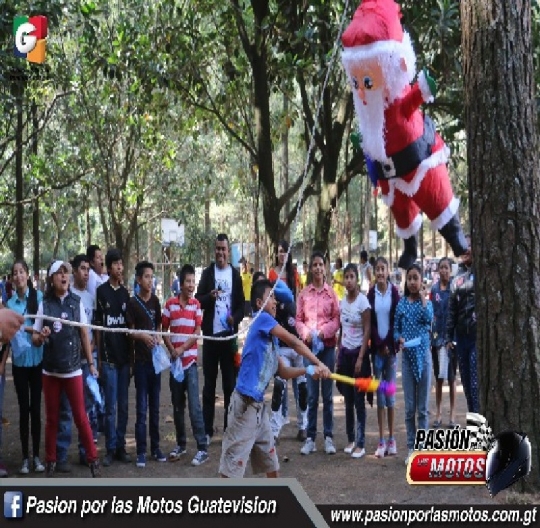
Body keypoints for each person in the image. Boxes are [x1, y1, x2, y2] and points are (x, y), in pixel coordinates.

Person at [341, 0, 468, 269]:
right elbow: (370, 135)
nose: (362, 91)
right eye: (357, 83)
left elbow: (414, 98)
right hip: (392, 175)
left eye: (367, 82)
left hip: (420, 161)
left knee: (438, 201)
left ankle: (458, 241)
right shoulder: (368, 111)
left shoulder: (399, 100)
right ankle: (410, 248)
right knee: (402, 213)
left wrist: (424, 89)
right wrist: (362, 142)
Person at [218, 279, 330, 478]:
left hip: (259, 409)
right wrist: (319, 362)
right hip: (244, 407)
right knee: (231, 471)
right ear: (260, 303)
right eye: (271, 297)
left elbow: (282, 372)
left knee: (272, 465)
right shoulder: (262, 319)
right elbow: (294, 341)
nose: (276, 302)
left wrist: (308, 370)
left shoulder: (271, 339)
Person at [31, 260, 101, 477]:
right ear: (51, 279)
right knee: (52, 418)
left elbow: (83, 334)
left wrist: (90, 364)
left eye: (66, 273)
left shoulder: (75, 303)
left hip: (73, 370)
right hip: (50, 371)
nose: (64, 276)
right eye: (59, 273)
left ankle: (92, 459)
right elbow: (34, 337)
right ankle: (51, 461)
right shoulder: (45, 305)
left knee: (81, 416)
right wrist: (40, 338)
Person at [195, 234, 244, 444]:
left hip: (228, 338)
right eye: (217, 249)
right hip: (210, 337)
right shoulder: (207, 274)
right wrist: (209, 297)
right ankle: (207, 429)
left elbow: (242, 305)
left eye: (223, 249)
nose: (220, 253)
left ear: (228, 252)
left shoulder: (235, 275)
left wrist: (235, 318)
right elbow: (198, 300)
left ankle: (228, 427)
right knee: (209, 385)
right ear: (214, 250)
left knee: (230, 385)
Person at [162, 264, 208, 466]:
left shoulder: (196, 305)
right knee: (178, 405)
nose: (191, 285)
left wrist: (181, 350)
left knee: (194, 407)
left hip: (189, 363)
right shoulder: (170, 304)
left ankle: (202, 447)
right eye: (188, 281)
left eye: (193, 282)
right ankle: (180, 444)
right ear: (180, 284)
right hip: (175, 365)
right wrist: (172, 349)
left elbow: (197, 332)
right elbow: (164, 330)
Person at [296, 251, 340, 456]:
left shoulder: (331, 293)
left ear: (325, 267)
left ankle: (328, 437)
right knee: (312, 395)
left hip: (328, 348)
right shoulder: (303, 294)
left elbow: (336, 319)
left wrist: (322, 333)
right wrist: (307, 334)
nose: (318, 268)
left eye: (321, 264)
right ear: (310, 268)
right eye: (314, 265)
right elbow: (298, 320)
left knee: (328, 396)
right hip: (309, 350)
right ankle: (311, 438)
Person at [6, 260, 45, 475]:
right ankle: (24, 458)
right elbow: (11, 330)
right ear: (12, 279)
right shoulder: (9, 304)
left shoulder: (38, 298)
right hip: (20, 364)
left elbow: (42, 326)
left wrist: (39, 336)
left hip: (37, 362)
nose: (19, 276)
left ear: (28, 275)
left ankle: (37, 456)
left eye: (22, 272)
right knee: (23, 410)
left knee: (36, 409)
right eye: (15, 273)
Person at [95, 249, 132, 467]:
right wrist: (99, 358)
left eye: (121, 264)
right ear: (108, 268)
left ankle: (120, 447)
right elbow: (98, 327)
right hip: (108, 359)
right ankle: (109, 449)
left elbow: (129, 327)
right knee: (110, 407)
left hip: (124, 360)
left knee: (124, 406)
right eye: (116, 264)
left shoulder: (126, 294)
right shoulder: (101, 292)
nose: (119, 267)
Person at [126, 260, 165, 468]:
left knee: (155, 407)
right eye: (147, 277)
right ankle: (140, 451)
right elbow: (130, 331)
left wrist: (157, 336)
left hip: (155, 363)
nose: (150, 280)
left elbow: (159, 322)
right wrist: (142, 336)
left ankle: (156, 448)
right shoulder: (133, 303)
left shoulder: (156, 301)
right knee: (141, 408)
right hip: (140, 363)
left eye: (152, 276)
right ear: (139, 279)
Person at [394, 264, 433, 465]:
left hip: (424, 358)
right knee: (410, 409)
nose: (412, 282)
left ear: (421, 280)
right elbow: (395, 329)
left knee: (423, 409)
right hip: (407, 360)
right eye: (409, 278)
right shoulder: (401, 304)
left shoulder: (426, 303)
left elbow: (429, 320)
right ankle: (411, 447)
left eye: (415, 278)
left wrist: (424, 298)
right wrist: (398, 338)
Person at [268, 239, 304, 440]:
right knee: (280, 383)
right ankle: (278, 424)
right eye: (279, 252)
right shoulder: (272, 274)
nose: (282, 255)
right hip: (279, 329)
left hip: (294, 327)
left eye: (285, 252)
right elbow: (270, 299)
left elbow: (297, 299)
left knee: (300, 383)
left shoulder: (294, 274)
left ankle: (302, 424)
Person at [367, 256, 401, 458]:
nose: (380, 272)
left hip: (391, 353)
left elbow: (396, 319)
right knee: (380, 396)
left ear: (388, 271)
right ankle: (381, 440)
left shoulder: (394, 292)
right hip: (377, 354)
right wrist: (379, 345)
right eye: (377, 269)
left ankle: (392, 438)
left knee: (390, 396)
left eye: (383, 269)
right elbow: (369, 323)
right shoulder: (371, 294)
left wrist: (389, 344)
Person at [336, 263, 371, 459]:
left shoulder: (363, 303)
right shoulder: (342, 302)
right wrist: (339, 351)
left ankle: (361, 443)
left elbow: (366, 331)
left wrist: (360, 357)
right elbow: (342, 329)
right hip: (345, 355)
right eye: (346, 277)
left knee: (359, 400)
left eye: (351, 277)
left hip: (359, 355)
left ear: (357, 280)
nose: (348, 281)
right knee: (347, 399)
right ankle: (350, 439)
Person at [445, 235, 478, 413]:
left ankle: (482, 429)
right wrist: (448, 337)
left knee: (475, 386)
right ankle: (475, 426)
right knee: (466, 384)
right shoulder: (456, 278)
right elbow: (451, 310)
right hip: (461, 339)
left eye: (470, 245)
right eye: (463, 246)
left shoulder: (483, 273)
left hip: (477, 339)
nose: (466, 250)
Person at [430, 257, 458, 428]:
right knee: (439, 377)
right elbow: (431, 314)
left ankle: (453, 415)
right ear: (438, 270)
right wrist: (432, 338)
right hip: (436, 340)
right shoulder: (434, 290)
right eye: (441, 268)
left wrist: (452, 338)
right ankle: (438, 414)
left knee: (452, 378)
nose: (444, 271)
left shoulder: (455, 288)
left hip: (451, 340)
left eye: (446, 268)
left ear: (450, 270)